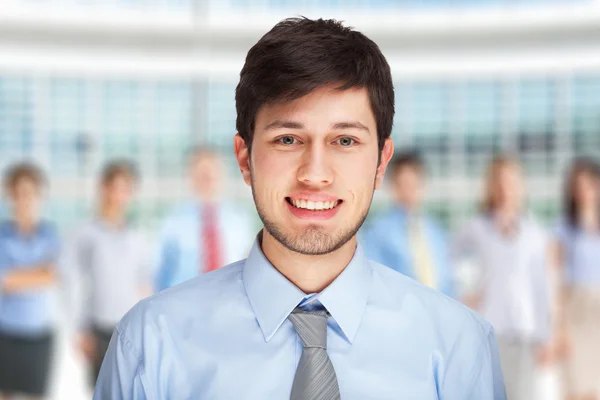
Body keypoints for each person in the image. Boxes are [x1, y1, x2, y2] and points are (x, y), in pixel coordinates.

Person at [95, 17, 505, 399]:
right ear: (244, 158)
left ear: (381, 162)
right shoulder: (151, 342)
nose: (315, 173)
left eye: (345, 141)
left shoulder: (457, 346)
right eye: (288, 139)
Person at [452, 155, 552, 400]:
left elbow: (542, 286)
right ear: (491, 187)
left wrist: (546, 333)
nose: (506, 189)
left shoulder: (535, 233)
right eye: (500, 183)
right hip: (487, 331)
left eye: (512, 182)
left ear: (521, 187)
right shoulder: (474, 229)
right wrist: (466, 294)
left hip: (523, 331)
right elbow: (455, 268)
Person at [62, 160, 153, 389]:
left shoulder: (138, 237)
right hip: (100, 328)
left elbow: (145, 285)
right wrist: (78, 329)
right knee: (102, 390)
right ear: (103, 188)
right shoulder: (86, 234)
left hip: (132, 328)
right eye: (115, 187)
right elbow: (73, 283)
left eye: (125, 189)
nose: (119, 195)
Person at [154, 147, 255, 291]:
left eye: (212, 173)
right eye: (202, 174)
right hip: (185, 302)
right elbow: (161, 272)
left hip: (229, 300)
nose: (208, 179)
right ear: (191, 176)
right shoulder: (174, 221)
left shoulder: (239, 219)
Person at [0, 162, 61, 400]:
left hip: (40, 332)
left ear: (39, 196)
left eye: (30, 193)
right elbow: (4, 281)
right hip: (5, 331)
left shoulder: (49, 233)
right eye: (19, 193)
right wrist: (37, 274)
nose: (24, 199)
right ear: (10, 195)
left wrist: (17, 276)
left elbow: (53, 275)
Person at [360, 150, 454, 296]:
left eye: (413, 184)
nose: (409, 191)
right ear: (393, 186)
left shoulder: (435, 230)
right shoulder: (378, 231)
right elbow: (373, 280)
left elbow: (447, 279)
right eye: (403, 185)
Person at [552, 157, 600, 400]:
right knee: (575, 388)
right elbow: (556, 281)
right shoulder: (563, 229)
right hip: (575, 312)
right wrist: (559, 328)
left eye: (588, 185)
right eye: (577, 187)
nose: (583, 192)